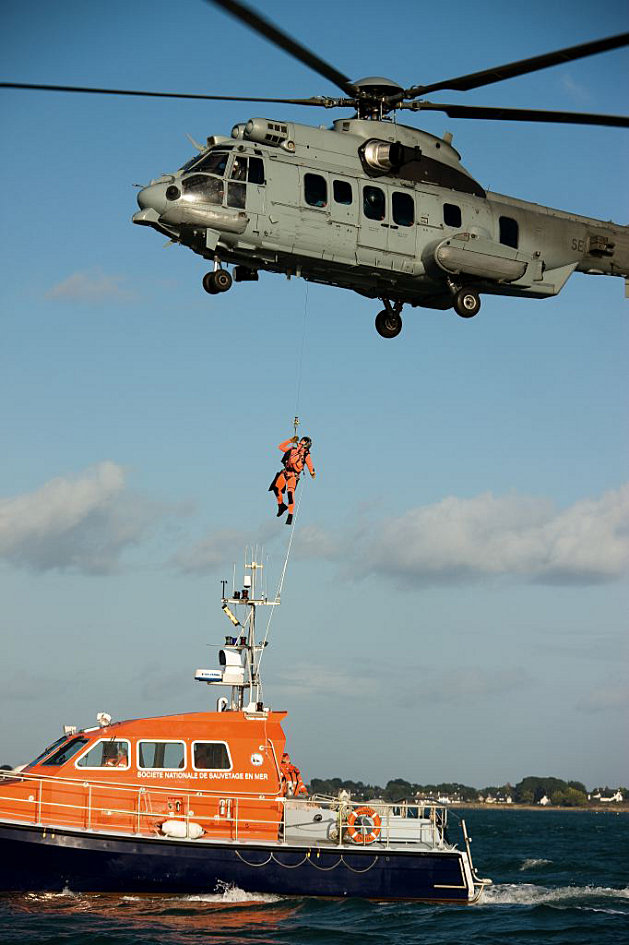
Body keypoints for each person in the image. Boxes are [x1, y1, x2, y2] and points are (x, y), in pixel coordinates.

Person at [269, 435, 316, 525]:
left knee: (290, 494)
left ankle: (290, 514)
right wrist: (290, 440)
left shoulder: (306, 455)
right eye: (300, 443)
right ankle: (281, 506)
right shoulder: (292, 450)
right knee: (276, 489)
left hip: (293, 476)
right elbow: (280, 447)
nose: (300, 445)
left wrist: (312, 472)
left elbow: (310, 464)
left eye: (302, 444)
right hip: (285, 473)